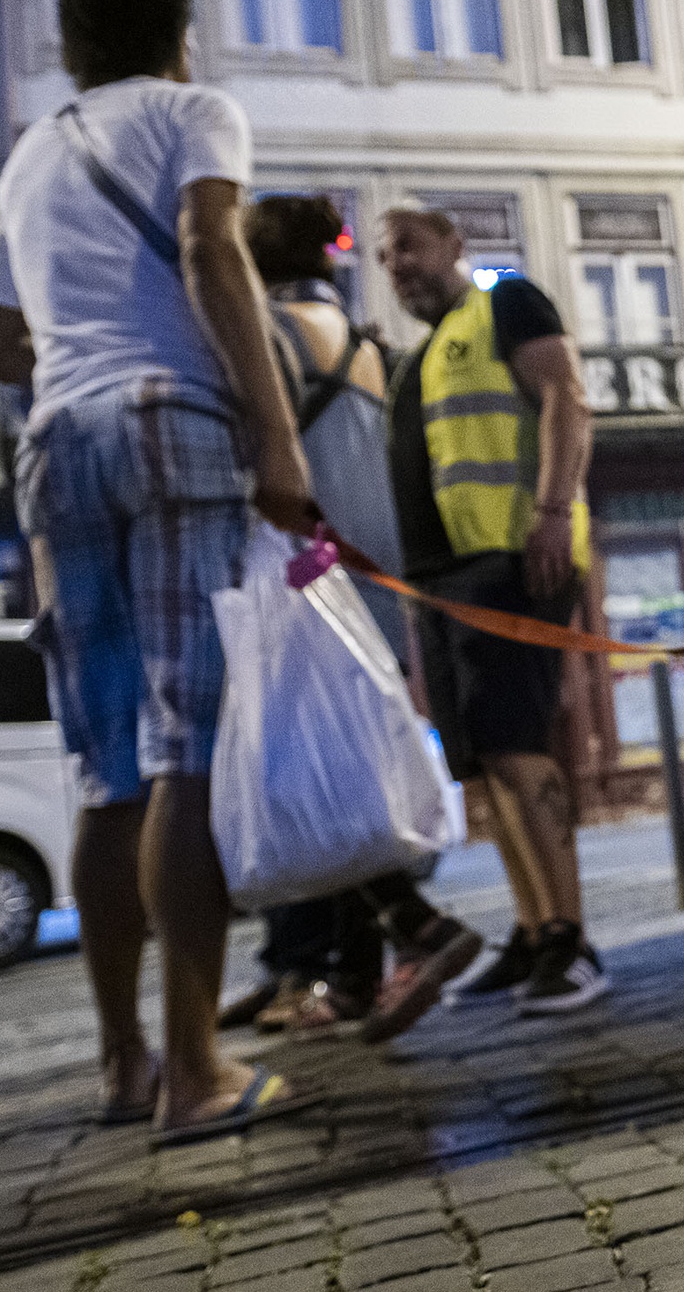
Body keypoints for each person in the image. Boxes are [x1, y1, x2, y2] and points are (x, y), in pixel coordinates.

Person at [0, 0, 315, 1141]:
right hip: (173, 428)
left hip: (57, 443)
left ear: (72, 41)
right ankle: (194, 1071)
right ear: (180, 32)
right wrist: (276, 440)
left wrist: (87, 340)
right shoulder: (192, 110)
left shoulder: (29, 157)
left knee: (103, 768)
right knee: (185, 748)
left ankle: (119, 1065)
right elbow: (211, 250)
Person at [214, 195, 482, 1042]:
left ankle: (420, 931)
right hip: (377, 582)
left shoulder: (266, 336)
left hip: (304, 579)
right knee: (351, 771)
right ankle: (356, 979)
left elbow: (257, 456)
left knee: (316, 778)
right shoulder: (373, 346)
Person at [379, 204, 605, 1014]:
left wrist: (550, 513)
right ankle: (533, 926)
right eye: (383, 254)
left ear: (452, 243)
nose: (393, 262)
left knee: (519, 751)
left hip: (510, 561)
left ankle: (570, 942)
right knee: (484, 764)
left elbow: (565, 399)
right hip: (443, 582)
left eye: (406, 244)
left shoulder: (506, 303)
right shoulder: (425, 354)